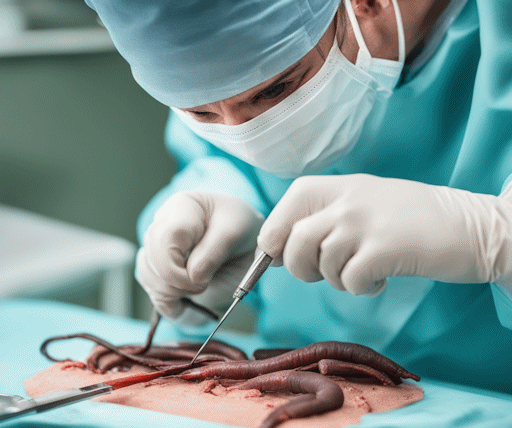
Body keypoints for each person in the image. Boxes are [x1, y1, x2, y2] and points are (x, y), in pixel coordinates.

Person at [85, 0, 512, 393]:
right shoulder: (212, 35)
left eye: (274, 91)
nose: (248, 136)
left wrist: (494, 238)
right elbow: (222, 154)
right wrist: (222, 193)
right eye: (202, 113)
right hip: (303, 393)